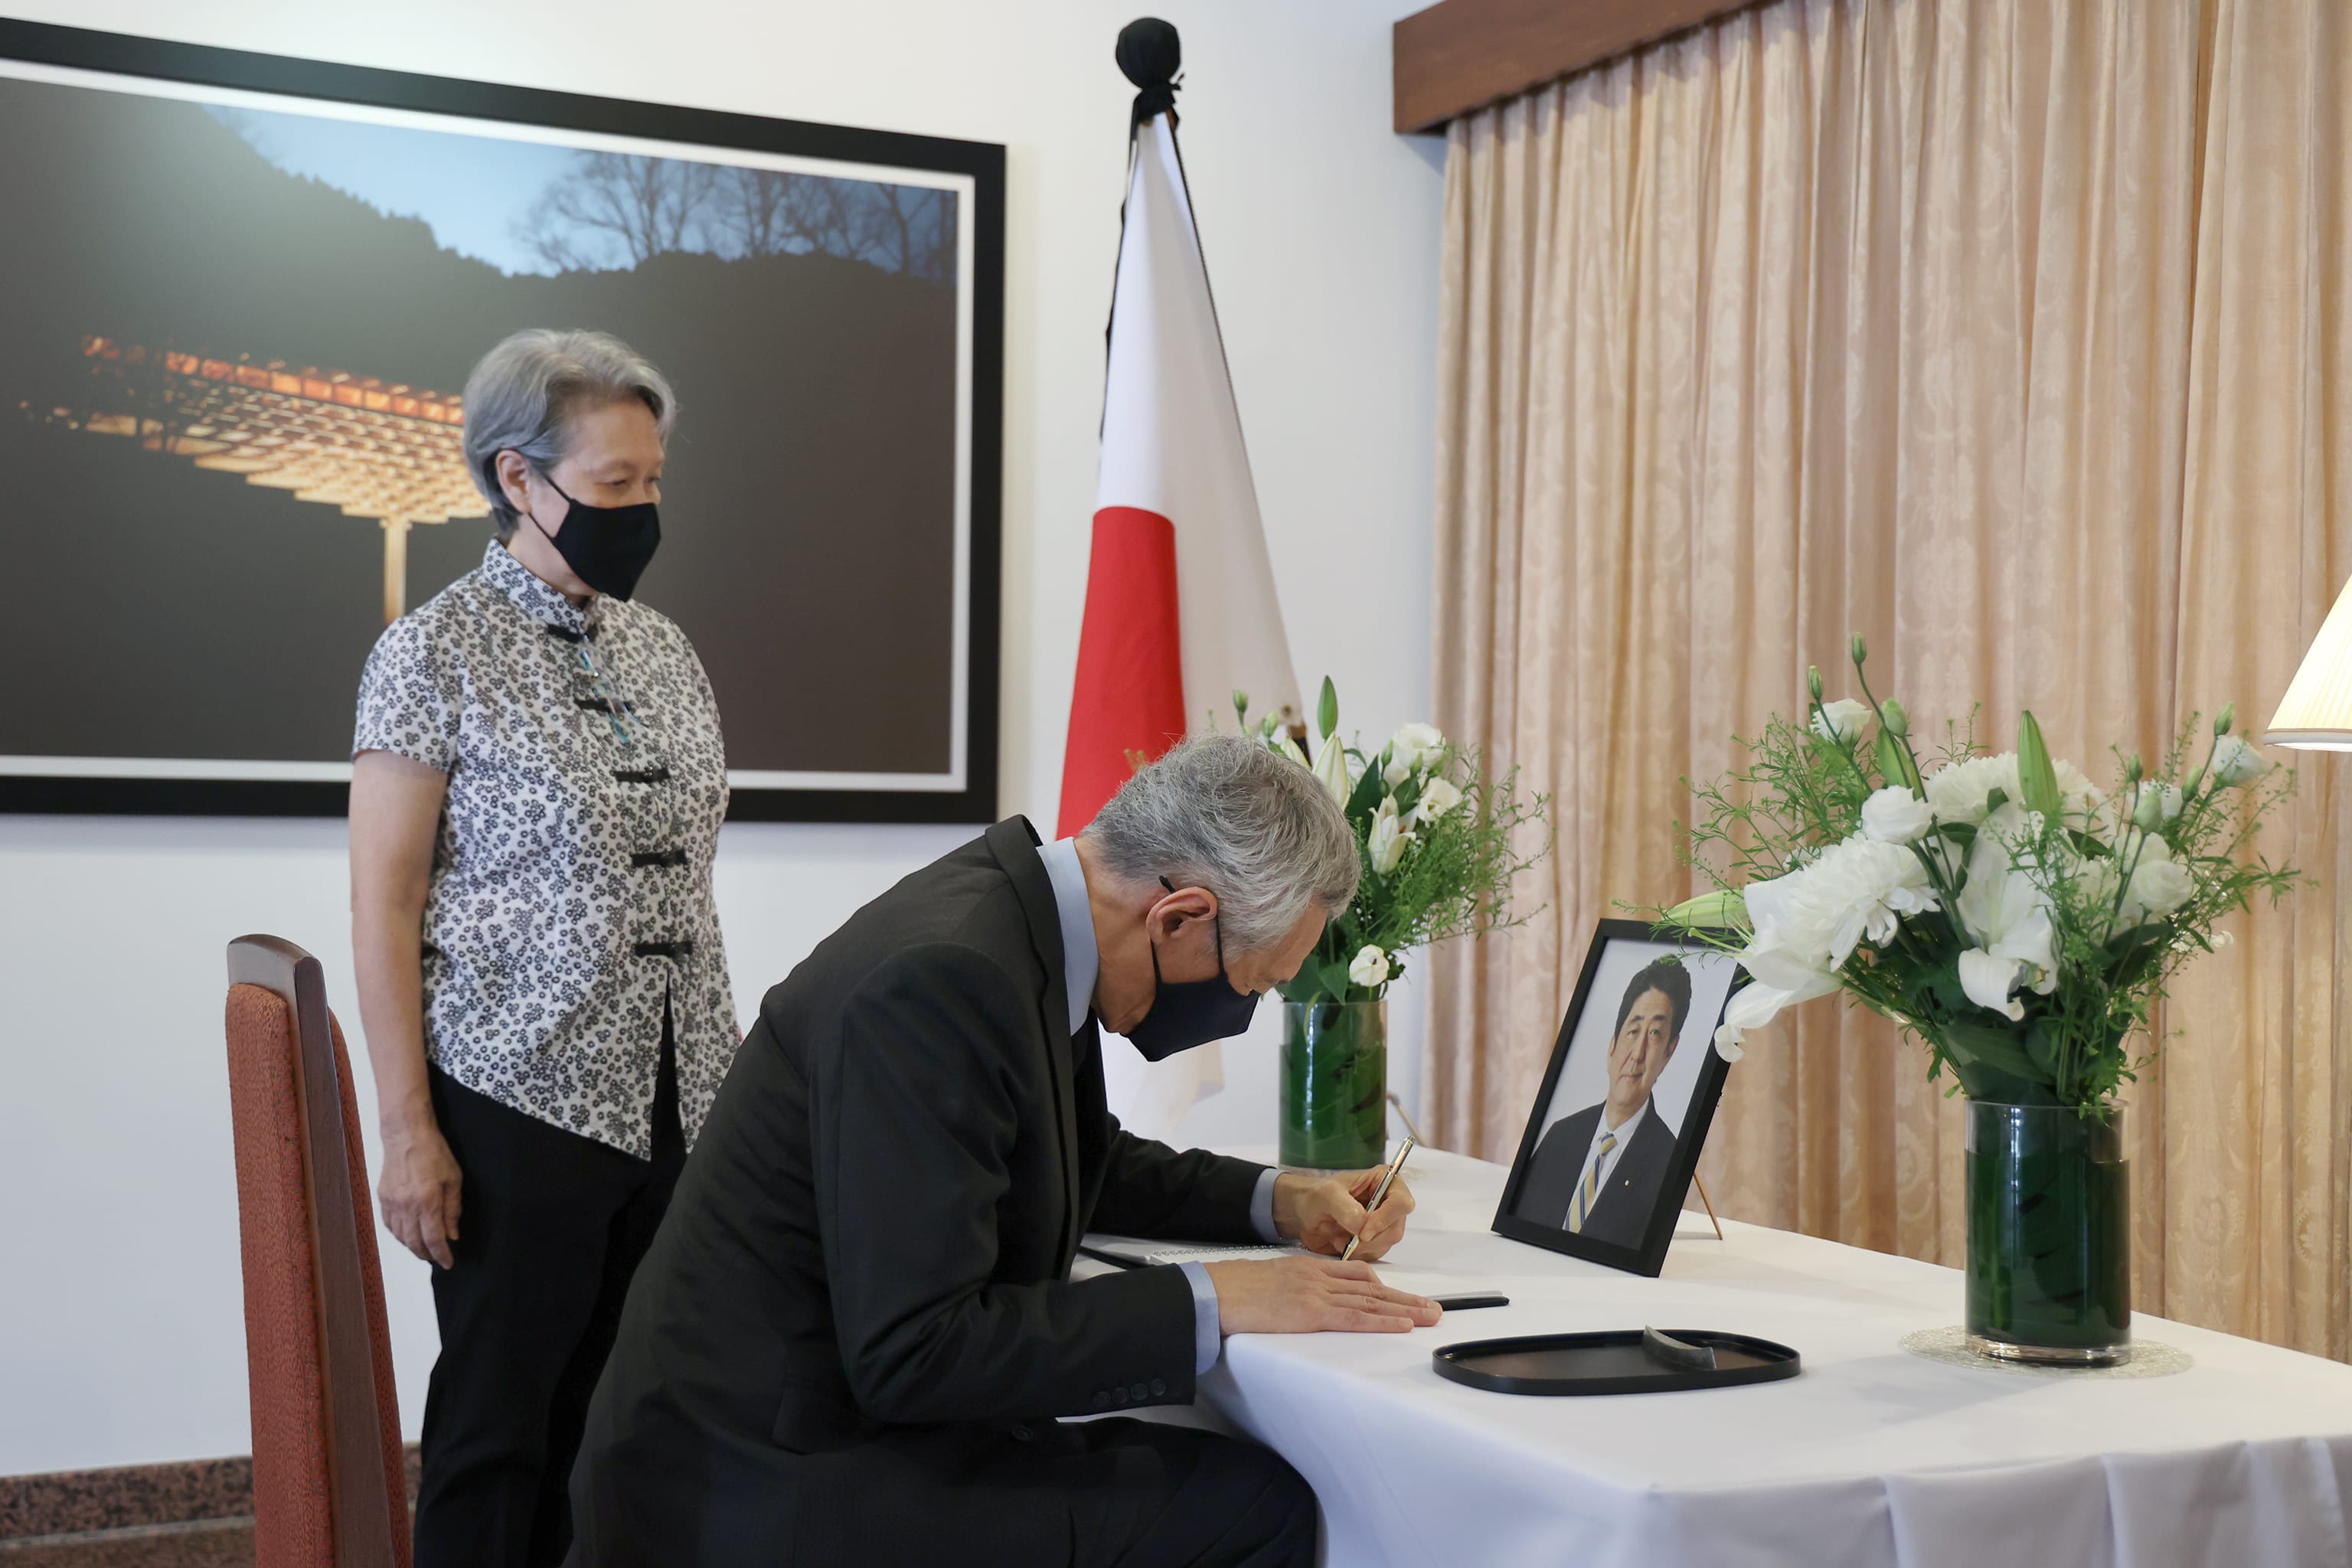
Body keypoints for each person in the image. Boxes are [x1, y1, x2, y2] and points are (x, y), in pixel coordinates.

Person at [570, 737, 1443, 1568]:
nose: (1240, 1010)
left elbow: (1067, 1154)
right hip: (760, 1481)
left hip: (786, 1430)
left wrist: (1278, 1198)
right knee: (1254, 1501)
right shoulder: (945, 980)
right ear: (1181, 917)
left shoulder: (1014, 920)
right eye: (1251, 982)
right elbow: (918, 1352)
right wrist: (1213, 1295)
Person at [348, 328, 736, 1568]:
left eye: (653, 480)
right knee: (498, 1429)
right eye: (614, 485)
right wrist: (409, 1131)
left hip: (678, 1096)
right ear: (518, 479)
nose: (641, 507)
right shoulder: (431, 652)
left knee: (632, 1426)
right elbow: (385, 903)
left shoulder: (661, 648)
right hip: (516, 1097)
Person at [1517, 959, 1690, 1247]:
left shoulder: (1668, 1162)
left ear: (1669, 1052)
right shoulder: (1559, 1137)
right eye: (1633, 1031)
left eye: (1655, 1034)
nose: (1637, 1053)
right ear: (1613, 1044)